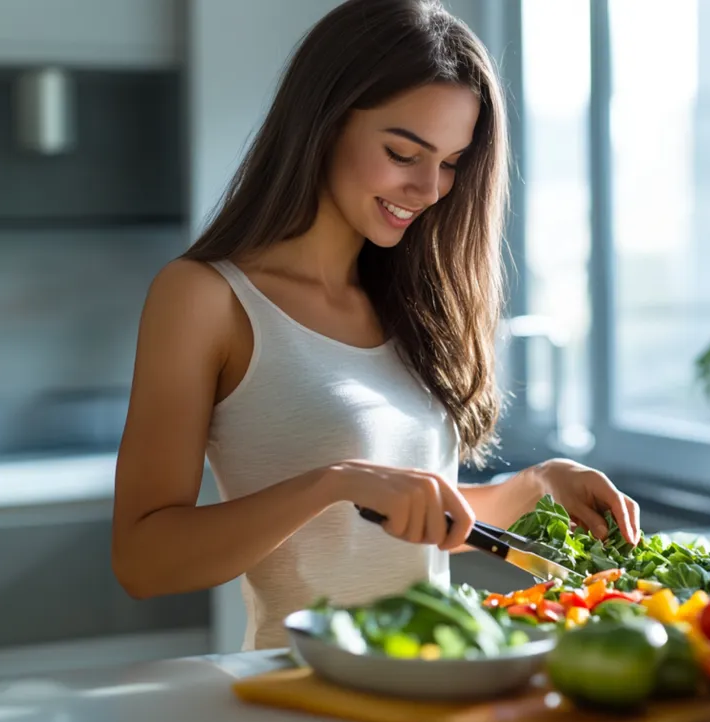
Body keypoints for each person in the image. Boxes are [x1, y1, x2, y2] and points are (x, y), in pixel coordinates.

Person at [110, 0, 640, 651]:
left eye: (449, 162)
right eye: (402, 153)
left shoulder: (406, 300)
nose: (429, 189)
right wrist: (335, 481)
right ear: (324, 122)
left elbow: (410, 513)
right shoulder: (206, 299)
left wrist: (537, 485)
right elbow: (143, 559)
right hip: (309, 698)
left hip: (435, 687)